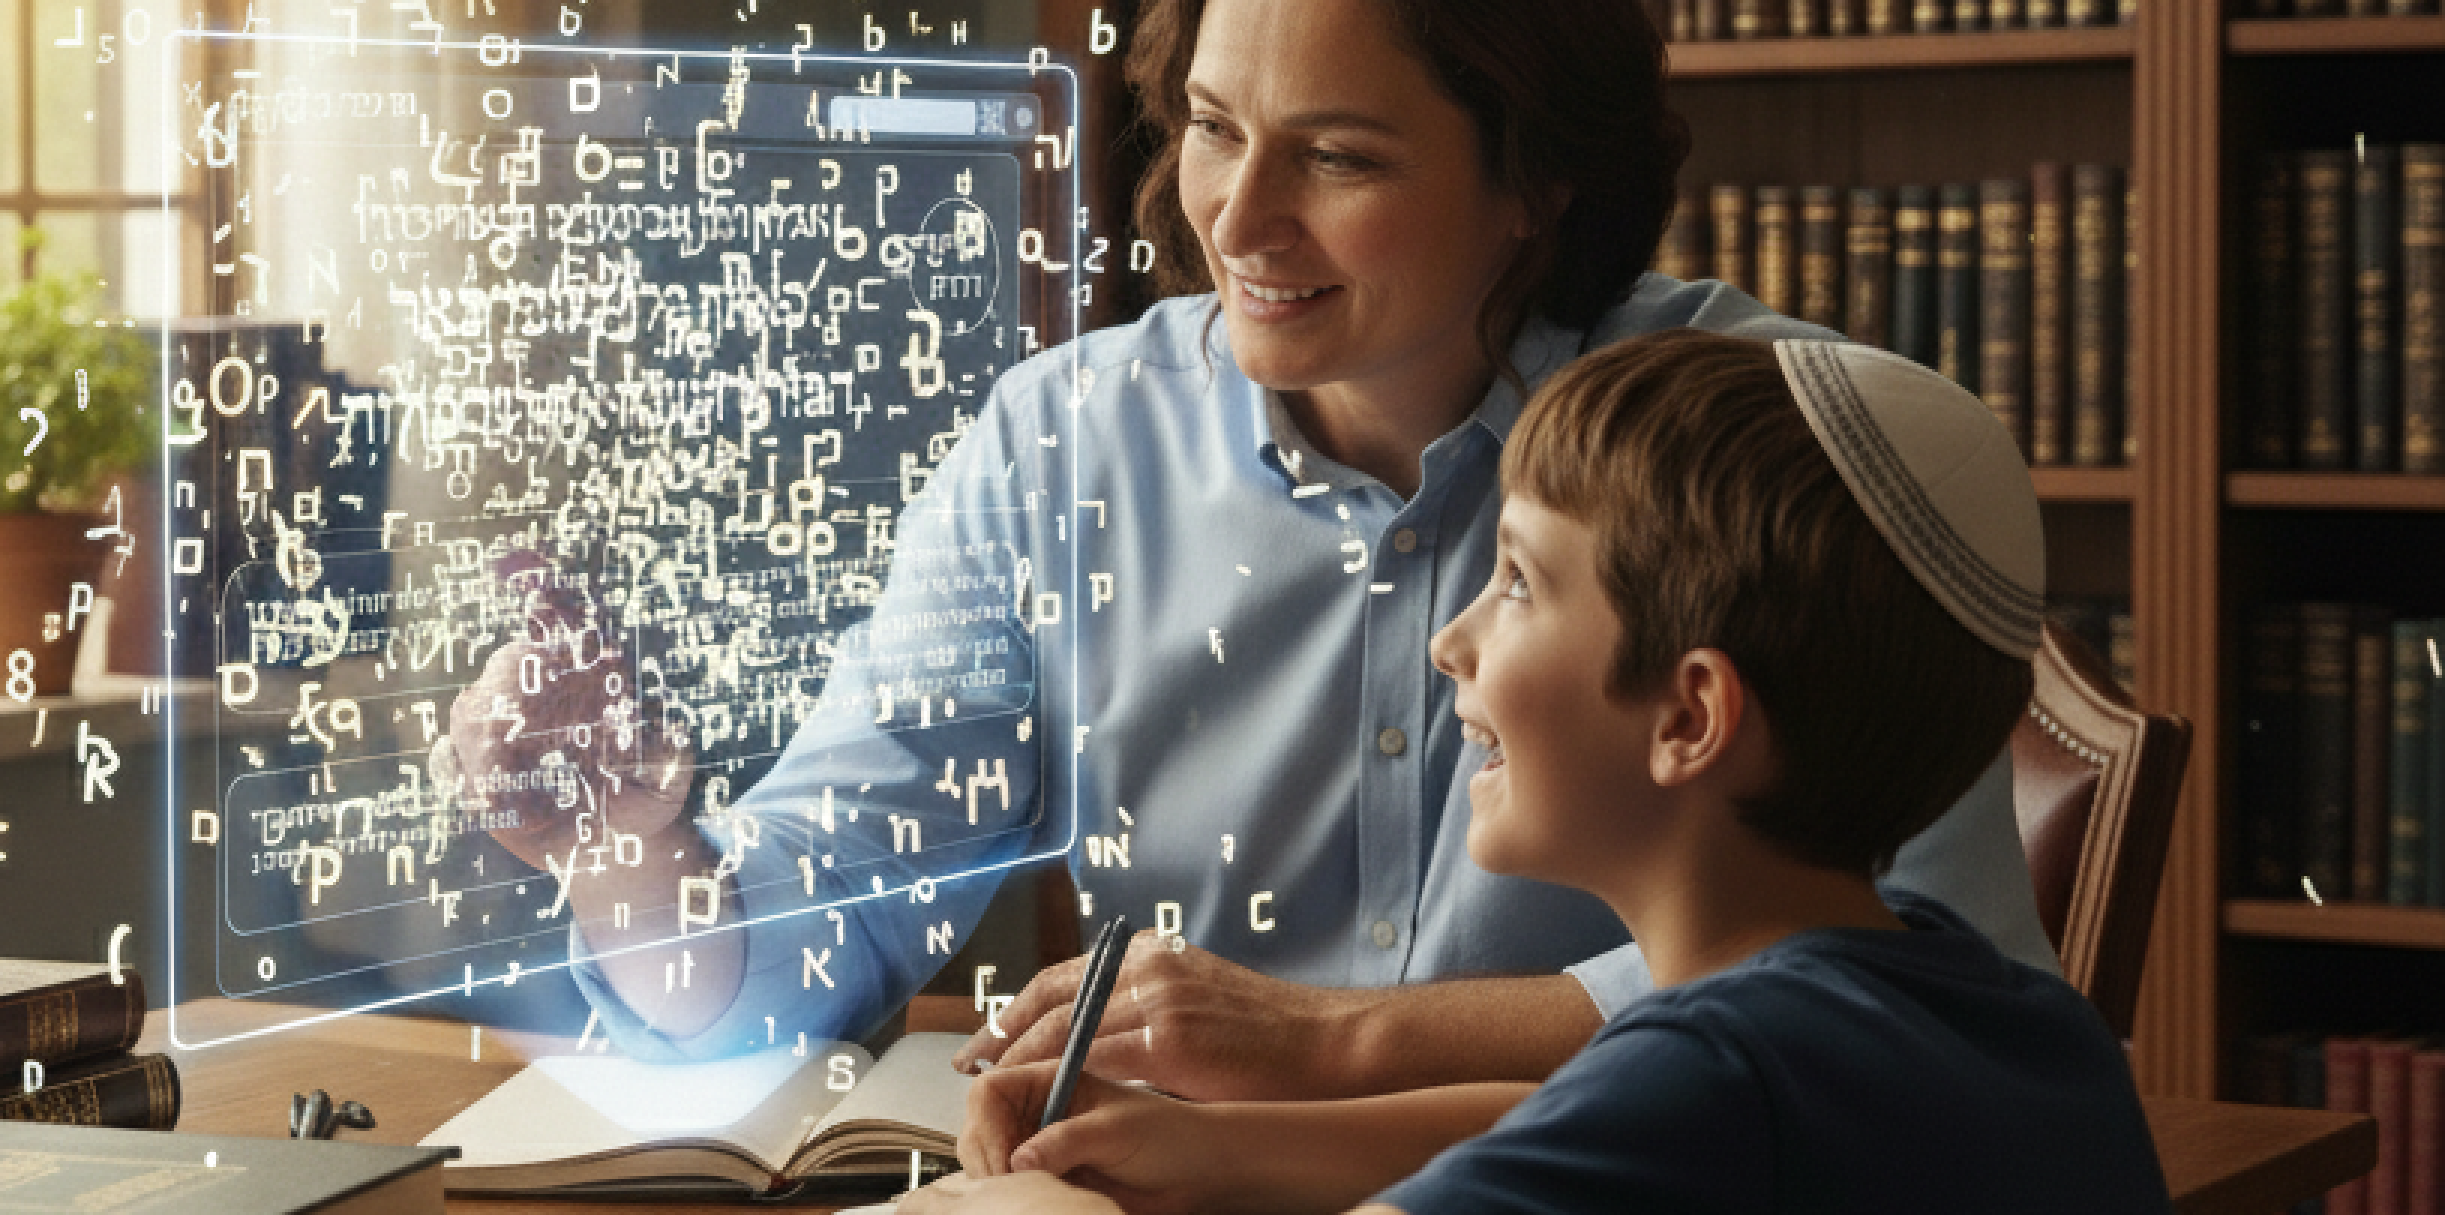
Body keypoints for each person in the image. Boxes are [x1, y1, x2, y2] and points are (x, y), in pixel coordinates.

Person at [440, 0, 2056, 1104]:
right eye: (1213, 128)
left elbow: (1915, 963)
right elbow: (809, 946)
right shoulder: (1059, 447)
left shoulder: (1761, 449)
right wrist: (633, 858)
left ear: (1537, 186)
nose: (1237, 216)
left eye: (1337, 155)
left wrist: (1325, 1046)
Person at [905, 330, 2172, 1214]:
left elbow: (1651, 1115)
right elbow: (1565, 1125)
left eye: (1516, 584)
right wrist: (1224, 1150)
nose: (1454, 642)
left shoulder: (1715, 1084)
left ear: (1690, 718)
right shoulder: (1969, 1002)